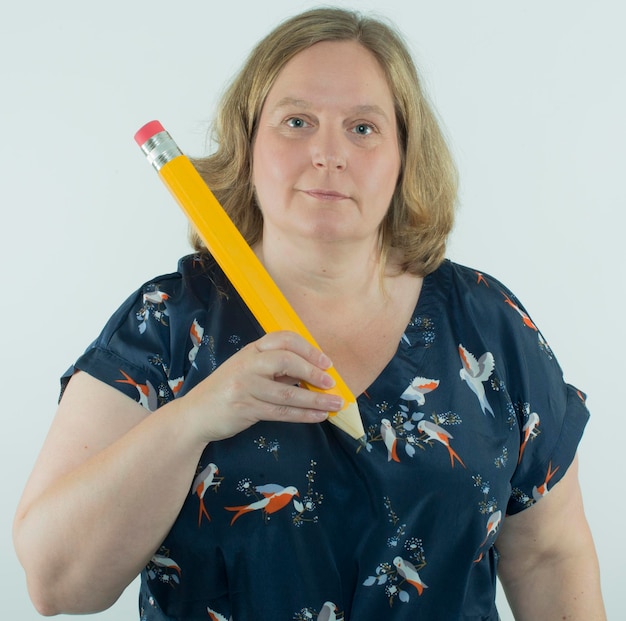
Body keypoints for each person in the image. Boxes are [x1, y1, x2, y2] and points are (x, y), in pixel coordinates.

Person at [13, 7, 606, 620]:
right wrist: (194, 419)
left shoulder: (487, 325)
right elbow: (57, 586)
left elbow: (549, 554)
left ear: (405, 151)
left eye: (364, 128)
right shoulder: (165, 324)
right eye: (297, 121)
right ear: (248, 144)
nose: (328, 153)